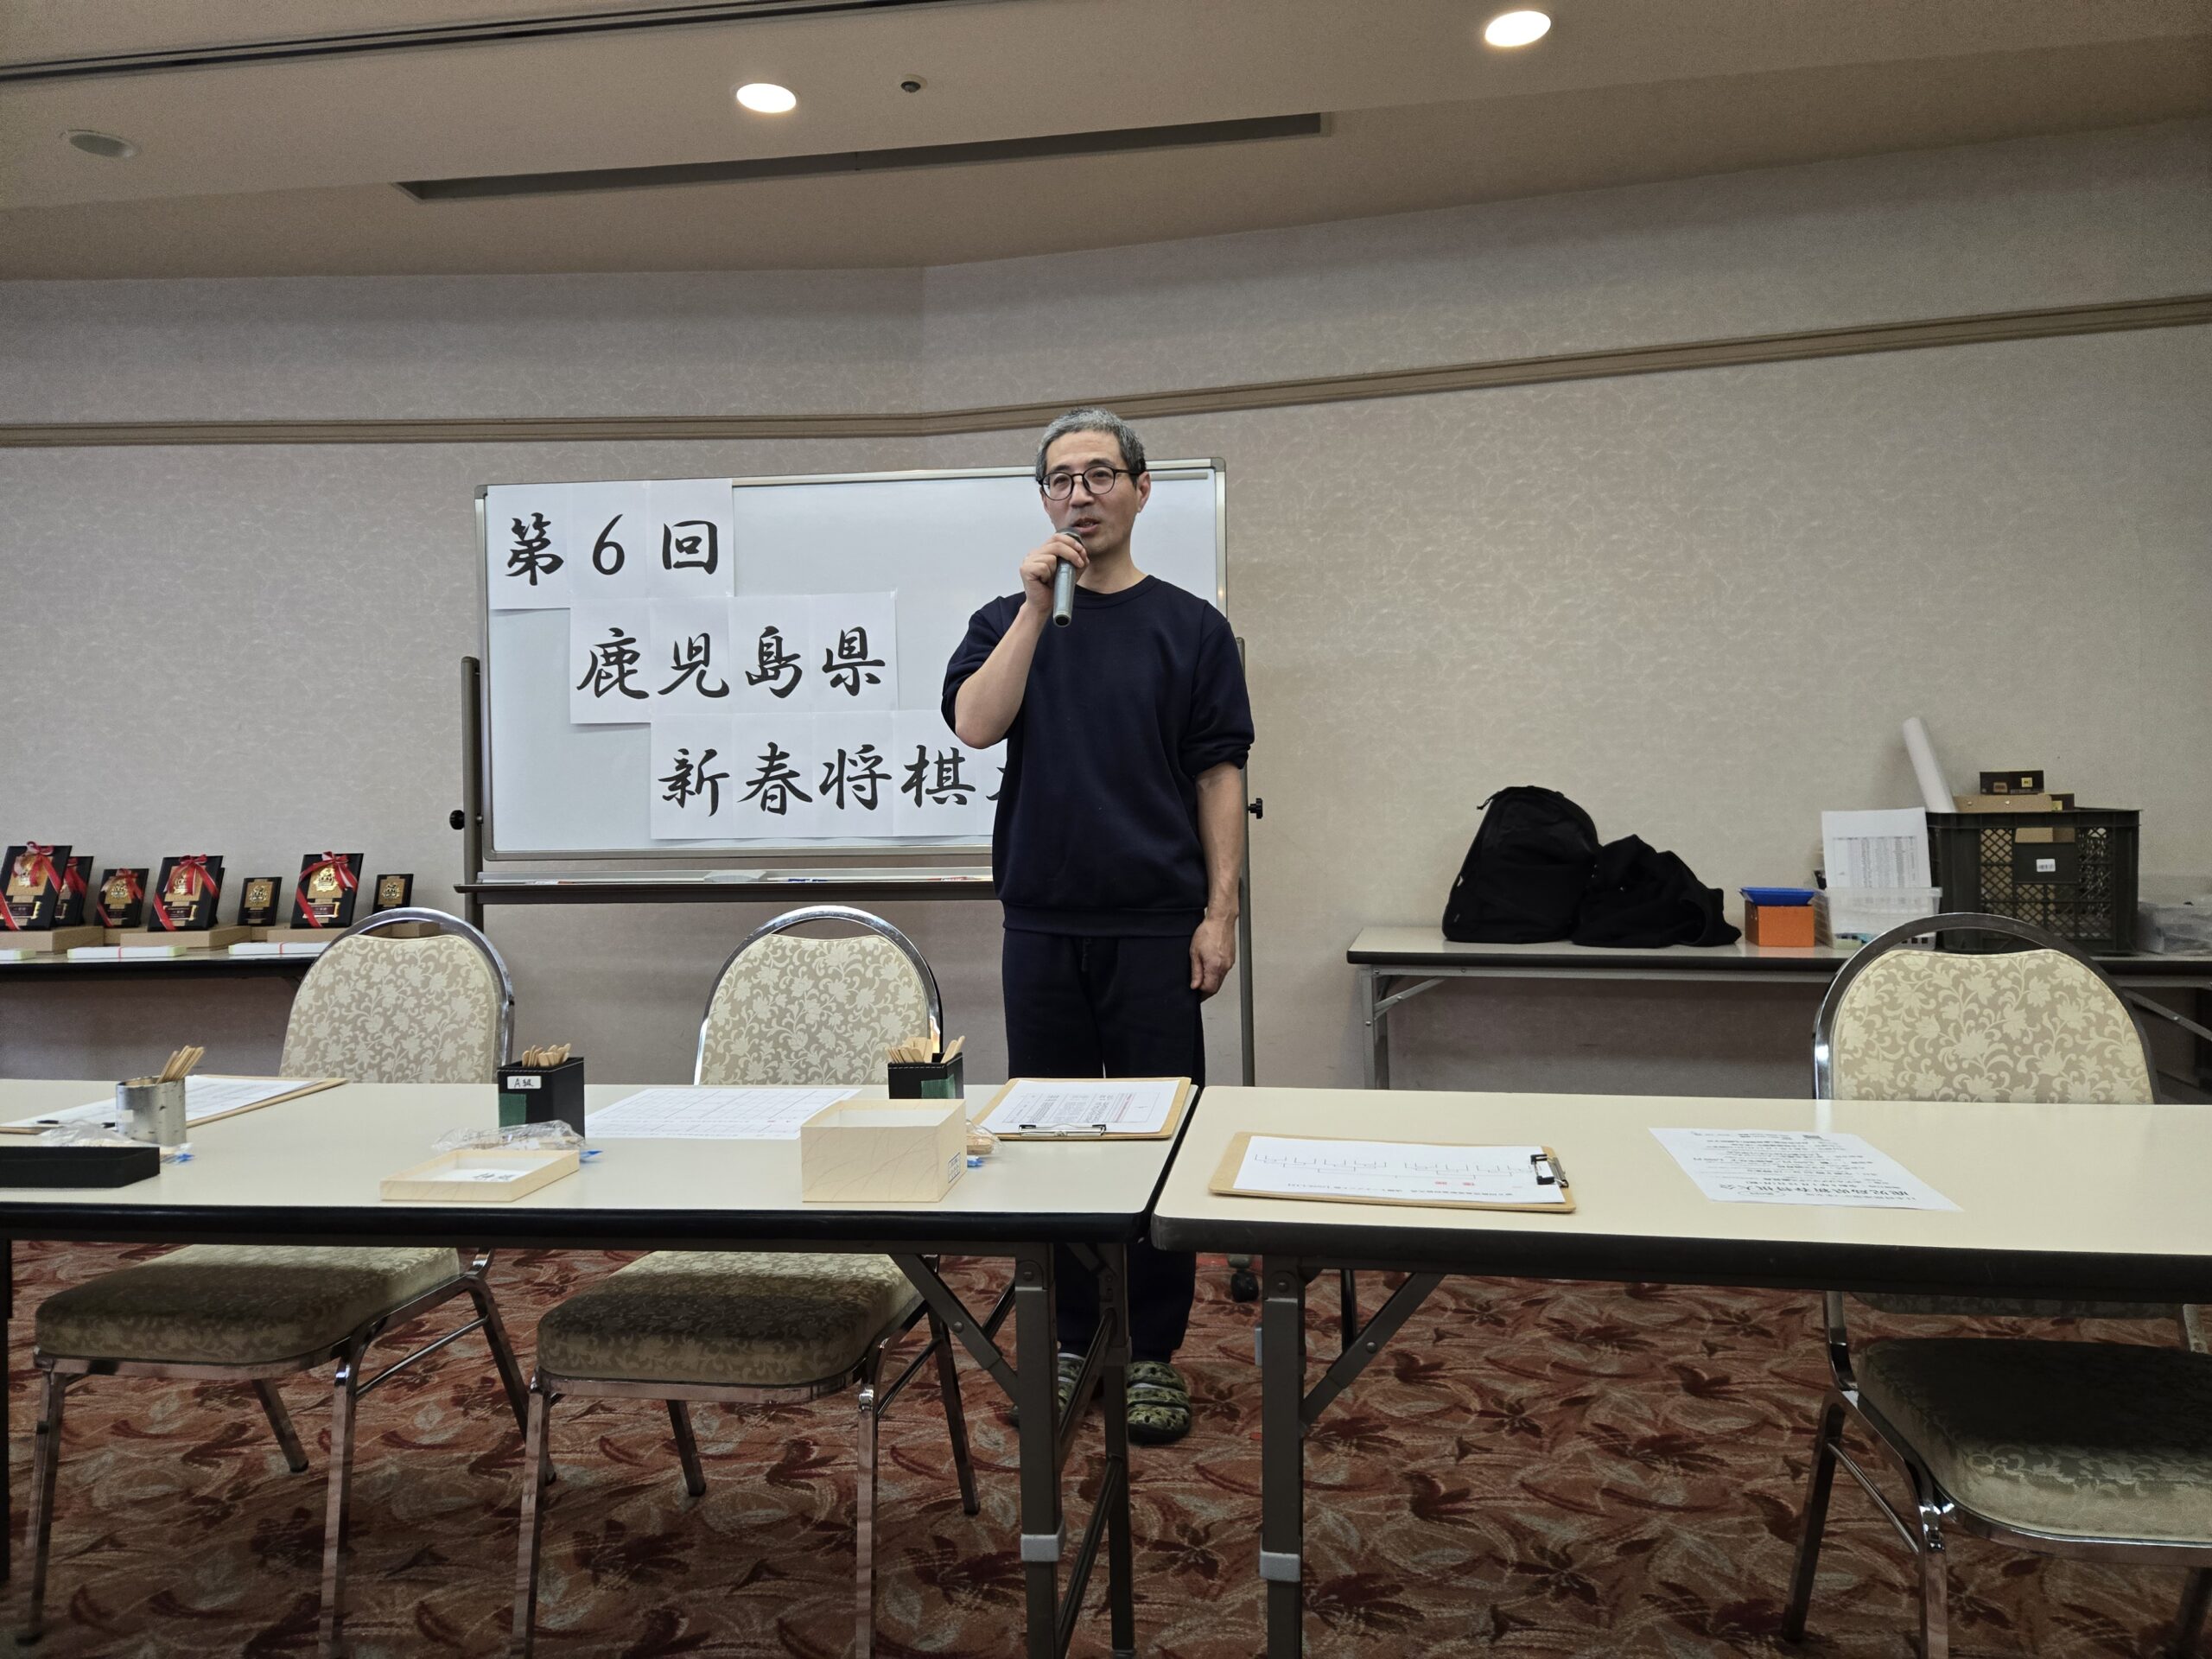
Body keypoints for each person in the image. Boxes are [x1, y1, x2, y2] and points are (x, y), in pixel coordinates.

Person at [942, 408, 1253, 1445]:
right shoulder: (1006, 616)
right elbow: (975, 723)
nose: (1079, 494)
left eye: (1100, 475)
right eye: (1060, 479)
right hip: (1042, 921)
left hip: (1157, 922)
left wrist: (1219, 912)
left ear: (1141, 489)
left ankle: (1152, 1348)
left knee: (1159, 1138)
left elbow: (1218, 774)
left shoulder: (1191, 628)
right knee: (1051, 1142)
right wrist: (1037, 610)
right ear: (1042, 498)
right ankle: (1075, 1336)